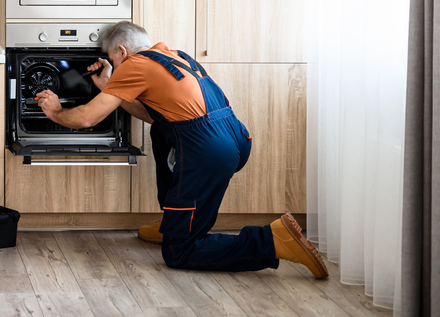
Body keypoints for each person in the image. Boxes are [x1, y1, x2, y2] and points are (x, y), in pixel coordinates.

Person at [34, 21, 328, 278]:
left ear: (122, 51)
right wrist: (111, 86)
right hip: (232, 138)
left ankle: (272, 241)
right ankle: (172, 221)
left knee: (180, 252)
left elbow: (87, 117)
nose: (113, 62)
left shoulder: (135, 64)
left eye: (112, 57)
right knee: (161, 129)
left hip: (206, 149)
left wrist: (57, 111)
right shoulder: (175, 57)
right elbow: (154, 115)